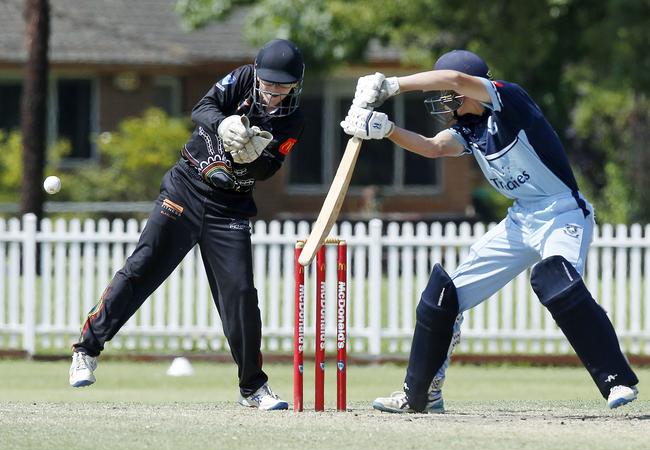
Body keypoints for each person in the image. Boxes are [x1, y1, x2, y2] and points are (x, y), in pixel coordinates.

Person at [340, 49, 639, 413]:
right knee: (444, 295)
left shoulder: (509, 100)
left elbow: (453, 79)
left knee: (556, 281)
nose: (441, 99)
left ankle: (616, 379)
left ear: (468, 90)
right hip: (520, 220)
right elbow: (433, 148)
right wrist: (386, 129)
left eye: (445, 94)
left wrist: (392, 84)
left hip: (562, 213)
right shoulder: (468, 128)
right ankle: (421, 395)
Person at [68, 39, 306, 411]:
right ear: (258, 75)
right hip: (186, 188)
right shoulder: (242, 79)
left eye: (283, 87)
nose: (273, 94)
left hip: (230, 208)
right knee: (142, 268)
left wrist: (254, 155)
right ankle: (86, 350)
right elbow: (203, 107)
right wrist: (225, 124)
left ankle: (252, 388)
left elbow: (269, 169)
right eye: (269, 85)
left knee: (241, 295)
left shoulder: (292, 120)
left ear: (295, 86)